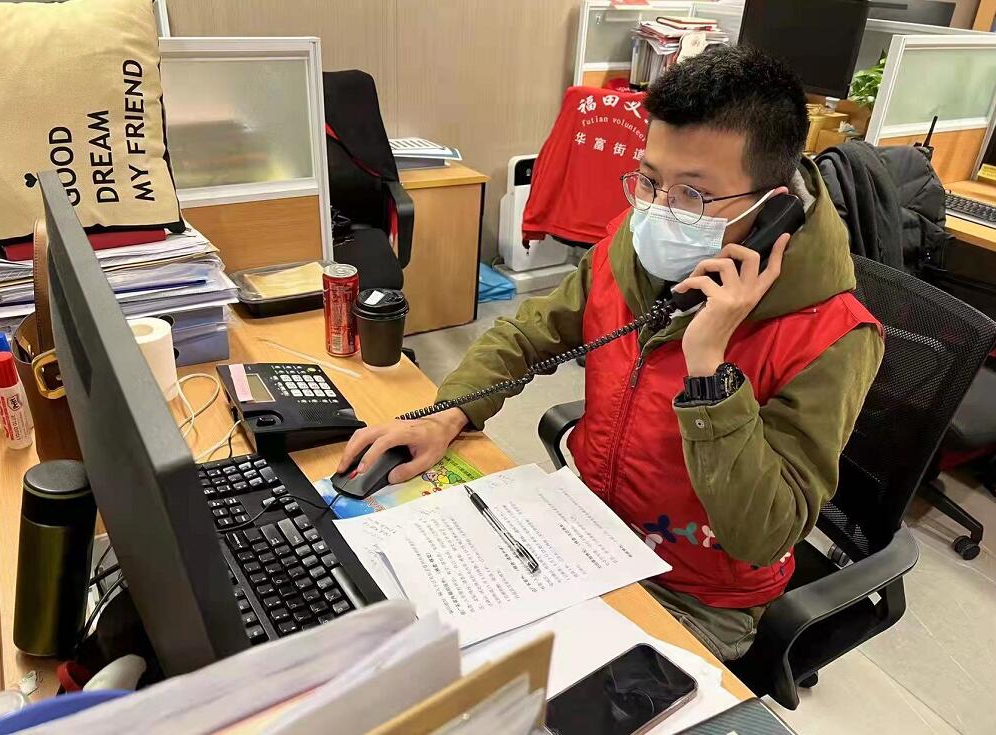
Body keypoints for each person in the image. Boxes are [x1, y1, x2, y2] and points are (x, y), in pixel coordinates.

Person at [337, 45, 884, 662]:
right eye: (649, 180)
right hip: (586, 532)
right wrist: (448, 414)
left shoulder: (832, 334)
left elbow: (765, 533)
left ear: (774, 208)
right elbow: (529, 334)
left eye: (693, 195)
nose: (659, 210)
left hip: (695, 597)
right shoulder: (636, 244)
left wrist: (709, 372)